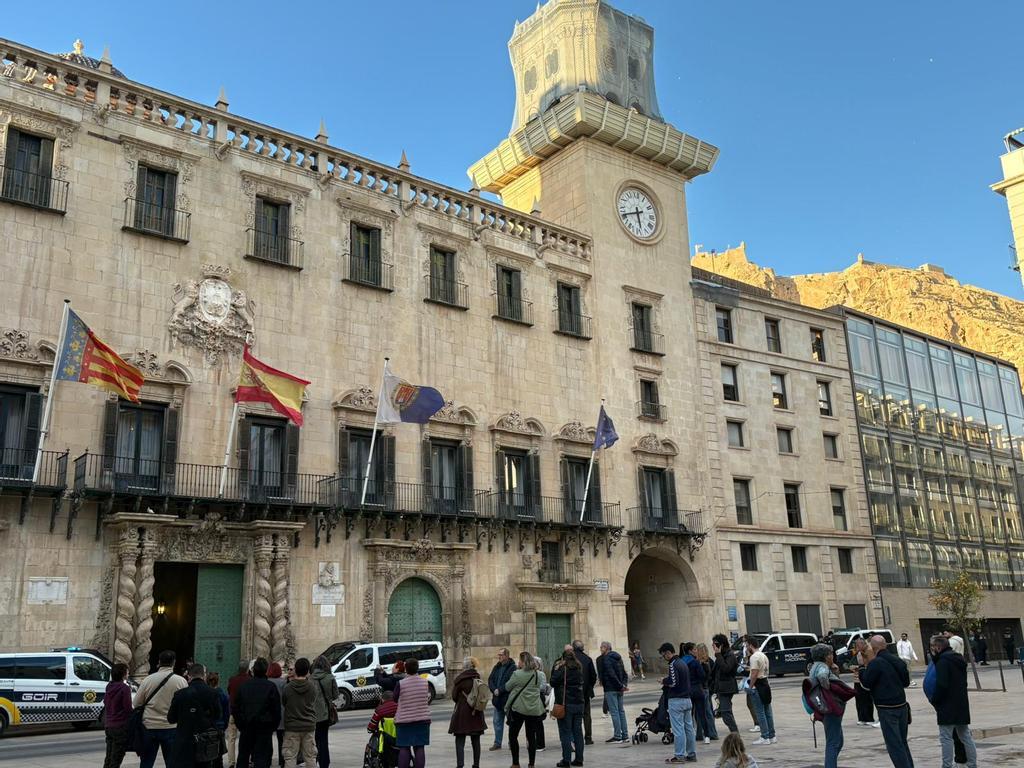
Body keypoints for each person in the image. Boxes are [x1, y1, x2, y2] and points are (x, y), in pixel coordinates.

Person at [860, 635, 913, 768]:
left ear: (874, 647)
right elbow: (906, 682)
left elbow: (866, 684)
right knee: (902, 742)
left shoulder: (875, 663)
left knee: (894, 745)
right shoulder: (898, 660)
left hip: (886, 708)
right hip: (902, 705)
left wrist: (862, 669)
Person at [927, 634, 977, 768]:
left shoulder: (943, 661)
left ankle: (946, 765)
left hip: (947, 704)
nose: (931, 649)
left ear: (938, 647)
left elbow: (942, 684)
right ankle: (972, 764)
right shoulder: (958, 659)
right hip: (960, 702)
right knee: (965, 735)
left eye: (932, 646)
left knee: (946, 737)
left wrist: (935, 699)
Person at [135, 649, 189, 768]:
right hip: (171, 727)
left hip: (149, 726)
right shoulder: (181, 681)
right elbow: (185, 705)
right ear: (174, 663)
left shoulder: (148, 680)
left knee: (146, 763)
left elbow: (137, 703)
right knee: (172, 762)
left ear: (159, 662)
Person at [167, 662, 223, 768]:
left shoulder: (180, 694)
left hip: (183, 742)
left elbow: (171, 718)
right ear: (204, 675)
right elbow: (218, 715)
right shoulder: (213, 693)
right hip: (206, 743)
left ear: (189, 676)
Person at [808, 643, 851, 768]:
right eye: (831, 654)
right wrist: (828, 687)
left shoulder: (814, 666)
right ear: (826, 656)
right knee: (833, 742)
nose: (832, 656)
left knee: (839, 741)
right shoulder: (822, 667)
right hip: (830, 708)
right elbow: (822, 676)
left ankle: (830, 762)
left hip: (823, 707)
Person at [234, 658, 282, 768]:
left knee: (243, 757)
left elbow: (236, 708)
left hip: (247, 727)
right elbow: (276, 710)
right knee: (262, 759)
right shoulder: (270, 687)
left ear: (252, 671)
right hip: (264, 729)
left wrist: (241, 724)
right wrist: (271, 727)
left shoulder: (244, 687)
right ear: (266, 671)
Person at [505, 651, 546, 768]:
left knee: (513, 736)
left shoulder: (517, 674)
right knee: (531, 737)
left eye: (520, 660)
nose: (518, 662)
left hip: (518, 709)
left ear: (523, 662)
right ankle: (531, 764)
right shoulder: (539, 674)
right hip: (533, 709)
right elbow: (540, 688)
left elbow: (508, 687)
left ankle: (515, 763)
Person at [659, 641, 695, 764]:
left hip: (677, 700)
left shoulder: (673, 664)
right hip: (687, 699)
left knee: (678, 729)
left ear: (668, 653)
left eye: (663, 655)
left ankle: (679, 755)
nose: (664, 658)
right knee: (689, 728)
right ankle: (691, 753)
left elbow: (674, 682)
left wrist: (663, 680)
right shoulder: (683, 663)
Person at [394, 657, 432, 768]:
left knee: (404, 747)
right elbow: (427, 697)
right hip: (422, 719)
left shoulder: (400, 684)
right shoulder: (425, 682)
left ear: (406, 669)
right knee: (420, 747)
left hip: (404, 720)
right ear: (417, 668)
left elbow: (395, 699)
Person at [449, 656, 487, 768]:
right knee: (476, 741)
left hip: (462, 713)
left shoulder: (460, 680)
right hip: (476, 712)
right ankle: (476, 765)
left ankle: (460, 765)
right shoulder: (478, 678)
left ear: (464, 666)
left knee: (460, 740)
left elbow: (454, 696)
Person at [282, 657, 319, 767]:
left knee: (290, 757)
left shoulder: (288, 688)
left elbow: (284, 702)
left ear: (296, 670)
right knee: (310, 757)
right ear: (308, 671)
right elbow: (313, 701)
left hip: (292, 726)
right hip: (308, 725)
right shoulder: (312, 687)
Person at [551, 649, 584, 767]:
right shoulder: (579, 667)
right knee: (578, 732)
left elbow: (553, 682)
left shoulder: (562, 669)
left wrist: (556, 669)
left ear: (563, 658)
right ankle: (579, 759)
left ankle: (566, 760)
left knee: (565, 732)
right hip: (579, 703)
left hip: (566, 704)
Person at [596, 641, 629, 744]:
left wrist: (620, 685)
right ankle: (625, 735)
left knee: (614, 712)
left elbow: (611, 674)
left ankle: (617, 736)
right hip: (620, 688)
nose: (600, 649)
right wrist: (623, 685)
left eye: (601, 647)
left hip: (611, 688)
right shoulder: (618, 657)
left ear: (606, 648)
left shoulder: (606, 659)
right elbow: (624, 673)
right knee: (621, 711)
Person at [744, 636, 775, 746]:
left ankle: (764, 736)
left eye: (747, 646)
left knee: (760, 712)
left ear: (751, 645)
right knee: (768, 711)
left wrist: (750, 687)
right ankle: (772, 736)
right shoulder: (763, 655)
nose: (746, 648)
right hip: (766, 683)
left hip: (758, 685)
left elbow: (754, 674)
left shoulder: (754, 657)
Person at [311, 655, 340, 767]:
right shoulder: (330, 677)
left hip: (312, 713)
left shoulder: (310, 678)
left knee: (315, 738)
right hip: (325, 713)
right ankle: (324, 762)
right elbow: (335, 695)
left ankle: (315, 760)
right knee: (324, 739)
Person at [103, 662, 133, 768]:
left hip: (109, 724)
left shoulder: (109, 686)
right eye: (127, 673)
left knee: (109, 757)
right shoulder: (124, 688)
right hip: (120, 725)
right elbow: (128, 708)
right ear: (123, 674)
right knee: (116, 758)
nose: (128, 675)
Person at [487, 648, 517, 751]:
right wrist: (493, 689)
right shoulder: (497, 666)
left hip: (508, 700)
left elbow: (510, 682)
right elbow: (490, 679)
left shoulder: (513, 667)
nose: (499, 656)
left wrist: (500, 690)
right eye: (498, 655)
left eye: (501, 655)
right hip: (497, 700)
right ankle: (497, 742)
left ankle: (511, 742)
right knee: (497, 722)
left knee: (511, 723)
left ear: (506, 656)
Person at [680, 643, 709, 745]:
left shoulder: (681, 662)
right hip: (697, 689)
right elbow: (702, 676)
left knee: (688, 715)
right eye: (695, 649)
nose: (697, 651)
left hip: (687, 691)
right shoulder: (695, 662)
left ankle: (689, 736)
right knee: (702, 713)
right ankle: (707, 736)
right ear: (690, 651)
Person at [710, 634, 739, 734]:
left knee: (726, 713)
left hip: (727, 688)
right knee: (726, 712)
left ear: (721, 644)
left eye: (715, 644)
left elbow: (726, 669)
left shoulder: (730, 655)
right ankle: (735, 733)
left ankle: (735, 734)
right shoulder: (722, 655)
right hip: (721, 688)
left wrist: (718, 655)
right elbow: (715, 673)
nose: (713, 647)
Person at [571, 641, 598, 745]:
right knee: (586, 715)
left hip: (573, 692)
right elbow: (593, 676)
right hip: (585, 692)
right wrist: (589, 687)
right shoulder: (587, 659)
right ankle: (588, 738)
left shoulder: (570, 659)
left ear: (573, 648)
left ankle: (576, 738)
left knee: (574, 716)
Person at [227, 660, 251, 768]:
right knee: (246, 737)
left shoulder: (232, 680)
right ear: (247, 669)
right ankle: (247, 759)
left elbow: (229, 691)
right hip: (246, 714)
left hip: (233, 713)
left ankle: (231, 762)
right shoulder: (250, 680)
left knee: (231, 738)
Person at [368, 691, 400, 768]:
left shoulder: (379, 710)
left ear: (382, 699)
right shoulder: (399, 707)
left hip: (385, 740)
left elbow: (370, 727)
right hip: (399, 738)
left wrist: (371, 729)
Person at [850, 638, 877, 727]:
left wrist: (860, 666)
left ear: (863, 644)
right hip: (857, 678)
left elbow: (871, 664)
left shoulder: (869, 651)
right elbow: (851, 663)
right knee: (859, 698)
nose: (856, 647)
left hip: (865, 678)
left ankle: (869, 718)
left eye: (858, 645)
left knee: (866, 698)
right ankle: (861, 718)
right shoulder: (858, 653)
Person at [696, 643, 719, 741]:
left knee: (699, 712)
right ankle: (712, 733)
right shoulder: (710, 661)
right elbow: (713, 677)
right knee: (709, 712)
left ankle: (700, 734)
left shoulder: (698, 663)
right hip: (707, 689)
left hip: (701, 689)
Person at [208, 671, 230, 767]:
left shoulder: (205, 694)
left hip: (207, 727)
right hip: (219, 727)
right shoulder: (223, 695)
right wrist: (224, 725)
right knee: (218, 755)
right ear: (218, 681)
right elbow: (226, 713)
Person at [268, 662, 288, 768]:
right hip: (282, 713)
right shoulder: (283, 682)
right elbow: (286, 698)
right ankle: (282, 760)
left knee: (268, 738)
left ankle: (268, 758)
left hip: (270, 713)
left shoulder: (267, 682)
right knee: (281, 739)